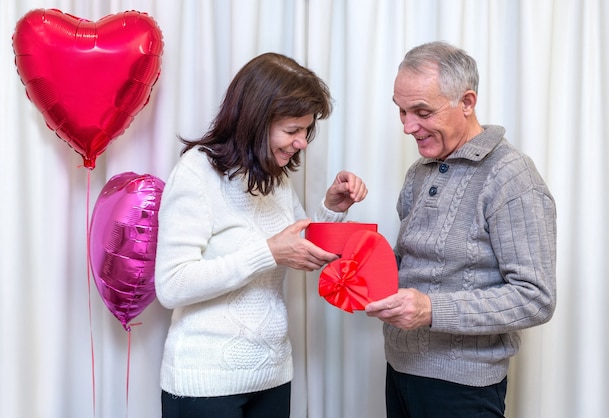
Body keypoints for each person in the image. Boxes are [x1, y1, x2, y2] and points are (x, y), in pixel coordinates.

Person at [155, 52, 368, 418]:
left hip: (271, 376)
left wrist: (331, 210)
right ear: (255, 121)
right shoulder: (196, 173)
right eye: (292, 131)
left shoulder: (275, 177)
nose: (302, 142)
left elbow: (300, 249)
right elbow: (171, 285)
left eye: (306, 130)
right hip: (207, 384)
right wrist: (266, 252)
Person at [365, 41, 557, 417]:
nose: (408, 126)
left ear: (467, 102)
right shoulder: (420, 171)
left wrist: (432, 310)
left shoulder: (511, 176)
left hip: (463, 387)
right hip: (399, 369)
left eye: (422, 111)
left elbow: (536, 298)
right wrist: (342, 226)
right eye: (401, 111)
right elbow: (407, 267)